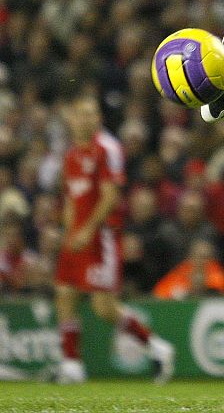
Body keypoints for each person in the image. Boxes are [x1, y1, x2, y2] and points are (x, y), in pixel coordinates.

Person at [54, 93, 175, 384]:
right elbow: (71, 198)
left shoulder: (107, 148)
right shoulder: (71, 154)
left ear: (98, 118)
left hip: (102, 236)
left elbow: (110, 196)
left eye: (91, 114)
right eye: (80, 114)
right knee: (64, 293)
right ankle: (71, 365)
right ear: (72, 119)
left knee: (103, 306)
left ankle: (157, 347)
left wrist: (87, 230)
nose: (85, 119)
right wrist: (69, 232)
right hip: (78, 236)